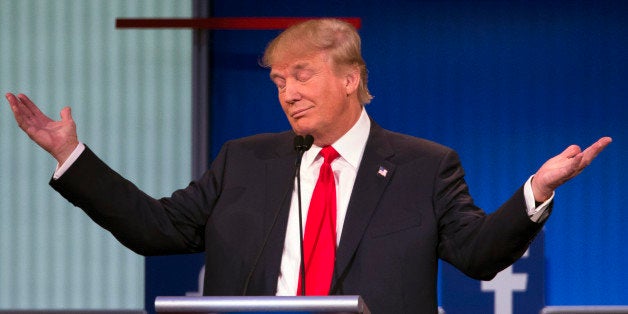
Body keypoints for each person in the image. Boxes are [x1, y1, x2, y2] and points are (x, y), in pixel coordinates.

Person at [5, 18, 611, 313]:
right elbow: (154, 229)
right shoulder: (245, 161)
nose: (286, 92)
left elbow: (478, 254)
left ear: (350, 79)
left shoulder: (423, 166)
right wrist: (71, 157)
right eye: (277, 80)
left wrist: (536, 189)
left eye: (301, 75)